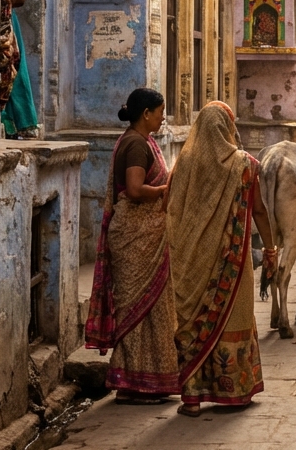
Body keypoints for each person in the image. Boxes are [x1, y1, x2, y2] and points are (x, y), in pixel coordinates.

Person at [166, 101, 278, 416]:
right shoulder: (244, 165)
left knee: (191, 321)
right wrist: (270, 249)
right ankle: (235, 390)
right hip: (232, 262)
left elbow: (170, 208)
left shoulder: (184, 162)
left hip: (190, 262)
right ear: (227, 129)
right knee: (235, 318)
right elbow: (258, 210)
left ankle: (191, 398)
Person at [85, 89, 179, 404]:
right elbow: (136, 189)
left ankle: (143, 380)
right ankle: (137, 382)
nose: (164, 116)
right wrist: (169, 187)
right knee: (137, 310)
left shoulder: (142, 140)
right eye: (161, 111)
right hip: (134, 236)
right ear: (146, 114)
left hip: (145, 234)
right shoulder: (137, 144)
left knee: (152, 309)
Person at [0, 0, 39, 139]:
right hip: (5, 20)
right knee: (12, 70)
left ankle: (14, 123)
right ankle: (20, 123)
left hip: (4, 19)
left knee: (9, 69)